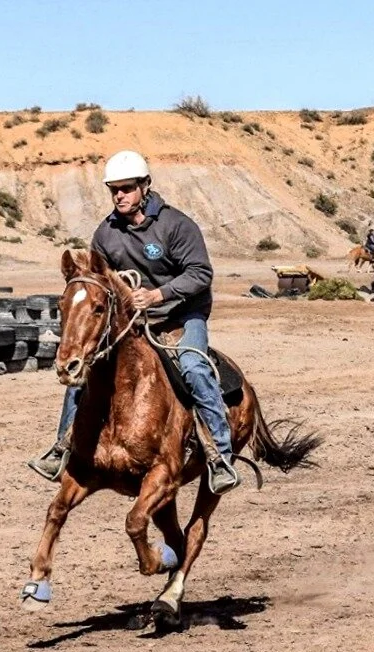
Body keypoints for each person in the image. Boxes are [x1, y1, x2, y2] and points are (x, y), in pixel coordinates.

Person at [27, 150, 242, 494]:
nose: (119, 196)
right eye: (114, 190)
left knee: (193, 367)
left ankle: (219, 456)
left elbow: (200, 274)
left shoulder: (176, 225)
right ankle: (62, 448)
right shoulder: (106, 233)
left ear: (145, 186)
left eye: (126, 188)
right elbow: (100, 282)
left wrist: (157, 295)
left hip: (181, 315)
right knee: (85, 371)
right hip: (134, 321)